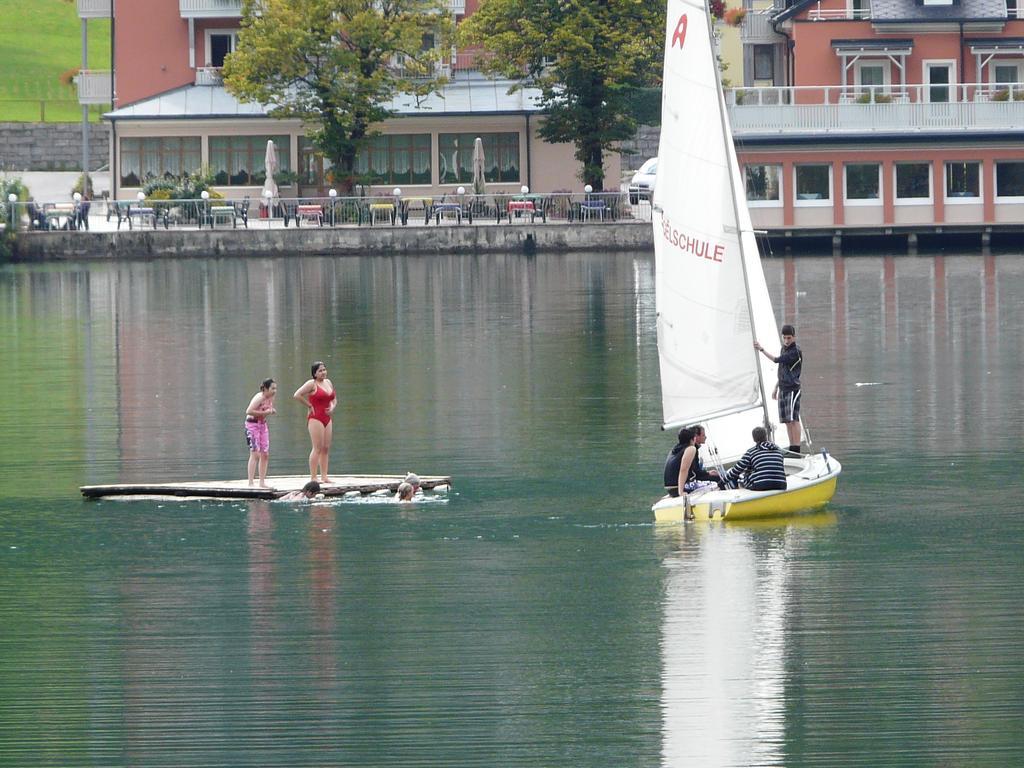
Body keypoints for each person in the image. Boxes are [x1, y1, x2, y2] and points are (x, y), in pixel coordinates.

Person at [754, 323, 803, 454]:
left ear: (794, 337)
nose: (786, 341)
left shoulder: (795, 351)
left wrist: (761, 349)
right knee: (787, 421)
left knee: (793, 419)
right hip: (783, 388)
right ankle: (792, 449)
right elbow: (782, 369)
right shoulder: (784, 348)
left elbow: (777, 360)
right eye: (784, 338)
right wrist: (776, 387)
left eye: (789, 338)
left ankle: (796, 449)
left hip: (793, 389)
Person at [293, 361, 337, 484]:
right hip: (315, 417)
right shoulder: (311, 384)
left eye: (324, 370)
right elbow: (297, 395)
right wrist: (309, 405)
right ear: (315, 373)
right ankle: (313, 477)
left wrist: (332, 407)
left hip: (327, 417)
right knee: (317, 448)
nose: (323, 372)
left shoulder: (328, 382)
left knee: (326, 448)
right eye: (320, 371)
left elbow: (333, 399)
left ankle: (324, 476)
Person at [723, 426, 788, 491]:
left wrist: (721, 483)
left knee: (741, 478)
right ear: (766, 436)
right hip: (781, 484)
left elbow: (736, 470)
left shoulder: (751, 452)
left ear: (754, 439)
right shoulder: (778, 449)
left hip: (760, 485)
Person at [663, 427, 719, 498]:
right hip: (680, 487)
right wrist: (681, 492)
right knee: (717, 483)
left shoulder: (675, 450)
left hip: (670, 489)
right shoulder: (691, 448)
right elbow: (684, 470)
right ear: (693, 438)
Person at [244, 378, 277, 487]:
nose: (274, 391)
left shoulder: (271, 397)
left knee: (265, 454)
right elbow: (248, 411)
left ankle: (262, 482)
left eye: (275, 388)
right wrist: (265, 412)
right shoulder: (260, 397)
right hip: (252, 425)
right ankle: (251, 482)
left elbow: (268, 409)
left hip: (262, 425)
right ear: (266, 389)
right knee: (255, 454)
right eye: (272, 388)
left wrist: (270, 411)